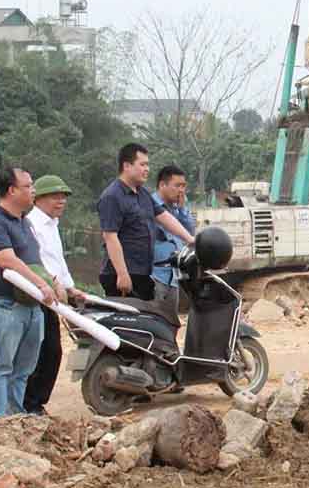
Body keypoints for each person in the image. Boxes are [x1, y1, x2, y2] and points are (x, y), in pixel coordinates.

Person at [0, 167, 56, 421]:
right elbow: (7, 260)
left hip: (31, 306)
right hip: (5, 305)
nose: (33, 190)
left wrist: (53, 282)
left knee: (24, 368)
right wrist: (40, 285)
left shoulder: (25, 222)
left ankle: (16, 415)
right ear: (11, 190)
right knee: (1, 365)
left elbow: (34, 259)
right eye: (28, 186)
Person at [97, 142, 193, 301]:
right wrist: (122, 274)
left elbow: (164, 217)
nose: (147, 169)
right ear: (127, 166)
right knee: (129, 323)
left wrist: (190, 239)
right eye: (142, 164)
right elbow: (110, 237)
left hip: (143, 273)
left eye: (148, 165)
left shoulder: (143, 194)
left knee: (149, 322)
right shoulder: (112, 196)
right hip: (121, 275)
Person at [23, 174, 86, 414]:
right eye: (55, 196)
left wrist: (70, 287)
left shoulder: (52, 225)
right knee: (44, 351)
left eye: (64, 197)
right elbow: (37, 261)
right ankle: (31, 405)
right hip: (38, 295)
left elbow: (57, 260)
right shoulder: (32, 225)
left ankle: (35, 404)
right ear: (38, 199)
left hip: (54, 294)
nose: (61, 201)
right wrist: (54, 284)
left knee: (51, 351)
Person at [150, 165, 198, 290]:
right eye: (177, 186)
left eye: (183, 186)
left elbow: (189, 233)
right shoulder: (149, 206)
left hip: (174, 278)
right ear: (162, 185)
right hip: (155, 276)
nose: (181, 190)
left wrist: (182, 208)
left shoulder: (176, 209)